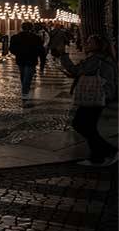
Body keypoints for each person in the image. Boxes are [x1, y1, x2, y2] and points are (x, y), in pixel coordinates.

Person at [57, 35, 118, 166]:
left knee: (81, 124)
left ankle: (101, 155)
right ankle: (106, 151)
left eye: (90, 42)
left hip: (96, 96)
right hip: (105, 95)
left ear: (98, 45)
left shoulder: (96, 59)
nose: (86, 43)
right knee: (89, 125)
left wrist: (63, 54)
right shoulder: (107, 58)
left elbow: (76, 70)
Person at [8, 22, 45, 104]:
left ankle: (25, 91)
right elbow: (41, 51)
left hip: (21, 59)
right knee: (27, 77)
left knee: (23, 75)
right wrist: (42, 63)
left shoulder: (15, 37)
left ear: (22, 27)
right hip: (31, 60)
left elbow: (11, 49)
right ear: (31, 28)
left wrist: (18, 53)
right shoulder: (36, 38)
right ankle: (25, 93)